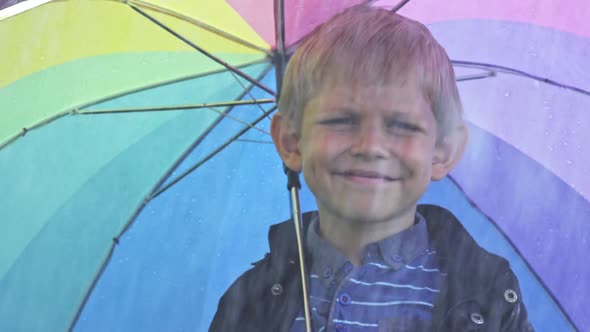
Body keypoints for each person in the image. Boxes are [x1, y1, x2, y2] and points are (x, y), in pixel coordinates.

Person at [210, 4, 532, 332]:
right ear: (292, 142)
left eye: (401, 125)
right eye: (341, 120)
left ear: (442, 150)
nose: (369, 146)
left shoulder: (485, 297)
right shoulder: (252, 303)